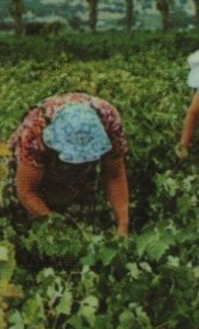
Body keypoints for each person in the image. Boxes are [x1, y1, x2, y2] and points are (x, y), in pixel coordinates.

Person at [8, 92, 130, 234]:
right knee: (25, 217)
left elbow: (114, 176)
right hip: (35, 163)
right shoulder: (35, 129)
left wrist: (123, 225)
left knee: (83, 220)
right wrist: (59, 231)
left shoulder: (109, 119)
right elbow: (27, 192)